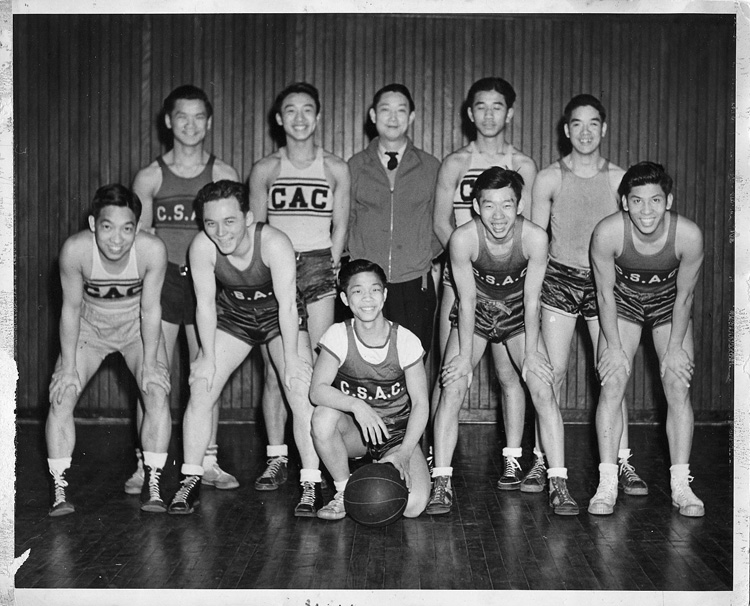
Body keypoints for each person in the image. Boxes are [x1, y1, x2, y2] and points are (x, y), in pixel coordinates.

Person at [427, 167, 578, 516]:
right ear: (476, 207)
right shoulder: (463, 239)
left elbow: (531, 300)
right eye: (490, 206)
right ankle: (442, 482)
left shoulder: (535, 238)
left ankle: (558, 482)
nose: (499, 216)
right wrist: (464, 356)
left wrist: (532, 354)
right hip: (477, 312)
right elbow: (465, 302)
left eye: (507, 205)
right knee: (452, 385)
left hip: (515, 314)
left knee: (542, 386)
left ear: (519, 205)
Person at [167, 180, 323, 516]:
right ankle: (191, 479)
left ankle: (311, 482)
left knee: (299, 386)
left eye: (229, 222)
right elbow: (205, 305)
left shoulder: (274, 243)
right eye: (211, 223)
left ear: (248, 218)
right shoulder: (201, 248)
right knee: (201, 385)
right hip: (235, 318)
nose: (220, 232)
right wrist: (207, 357)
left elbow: (288, 306)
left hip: (277, 319)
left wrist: (294, 358)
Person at [530, 94, 647, 496]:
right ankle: (540, 461)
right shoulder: (549, 177)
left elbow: (629, 239)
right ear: (566, 131)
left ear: (604, 128)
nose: (585, 132)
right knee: (552, 373)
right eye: (576, 124)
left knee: (613, 373)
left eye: (593, 124)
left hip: (604, 284)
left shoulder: (619, 180)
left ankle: (623, 461)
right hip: (559, 281)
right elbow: (535, 242)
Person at [130, 85, 241, 493]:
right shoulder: (151, 175)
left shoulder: (223, 173)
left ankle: (208, 461)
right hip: (162, 285)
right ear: (168, 121)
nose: (190, 125)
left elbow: (235, 239)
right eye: (182, 117)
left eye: (199, 117)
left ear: (209, 123)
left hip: (205, 285)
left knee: (205, 373)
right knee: (153, 374)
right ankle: (146, 463)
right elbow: (137, 240)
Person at [432, 77, 538, 491]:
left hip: (511, 285)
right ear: (470, 113)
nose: (489, 114)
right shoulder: (456, 162)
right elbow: (442, 220)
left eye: (498, 106)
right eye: (481, 106)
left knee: (510, 375)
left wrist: (500, 267)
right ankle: (439, 463)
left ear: (509, 113)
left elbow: (531, 230)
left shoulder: (524, 164)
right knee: (453, 371)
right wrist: (471, 259)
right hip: (462, 282)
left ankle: (513, 459)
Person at [248, 82, 350, 492]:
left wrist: (331, 264)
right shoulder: (266, 169)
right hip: (277, 269)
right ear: (279, 119)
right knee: (277, 371)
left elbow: (340, 224)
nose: (300, 118)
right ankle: (276, 456)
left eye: (308, 110)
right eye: (291, 110)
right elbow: (255, 230)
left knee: (318, 367)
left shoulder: (335, 168)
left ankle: (319, 458)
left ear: (318, 116)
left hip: (319, 266)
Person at [46, 184, 171, 516]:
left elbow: (151, 310)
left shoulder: (152, 250)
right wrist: (69, 366)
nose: (117, 239)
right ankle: (59, 489)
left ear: (138, 228)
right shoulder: (75, 251)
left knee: (156, 389)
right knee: (63, 392)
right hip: (90, 330)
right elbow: (70, 310)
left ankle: (154, 482)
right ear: (92, 224)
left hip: (135, 329)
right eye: (107, 227)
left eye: (127, 228)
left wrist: (151, 361)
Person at [588, 161, 704, 517]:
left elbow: (684, 297)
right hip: (622, 305)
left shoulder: (688, 235)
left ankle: (681, 484)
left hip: (668, 308)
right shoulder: (608, 233)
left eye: (655, 200)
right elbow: (604, 294)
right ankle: (607, 481)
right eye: (637, 201)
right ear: (624, 202)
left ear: (668, 200)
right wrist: (614, 348)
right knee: (612, 381)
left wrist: (673, 351)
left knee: (677, 384)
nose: (646, 210)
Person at [309, 259, 431, 520]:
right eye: (357, 291)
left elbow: (421, 403)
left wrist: (406, 452)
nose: (367, 298)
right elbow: (317, 391)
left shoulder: (406, 340)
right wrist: (357, 405)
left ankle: (391, 462)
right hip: (357, 432)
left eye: (374, 290)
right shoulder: (338, 335)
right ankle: (343, 491)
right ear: (344, 298)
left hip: (395, 434)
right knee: (323, 416)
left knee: (413, 507)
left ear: (385, 294)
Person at [348, 83, 442, 356]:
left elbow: (440, 220)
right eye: (385, 110)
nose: (392, 118)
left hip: (415, 283)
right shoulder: (355, 166)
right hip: (365, 283)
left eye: (401, 111)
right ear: (372, 115)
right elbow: (345, 221)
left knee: (412, 362)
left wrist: (422, 257)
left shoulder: (430, 166)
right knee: (362, 361)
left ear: (411, 117)